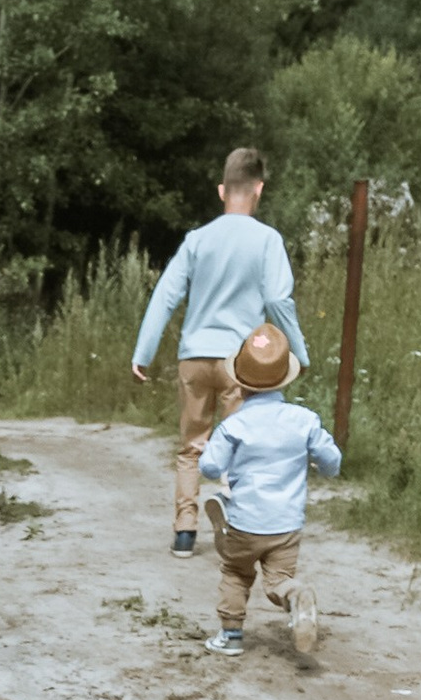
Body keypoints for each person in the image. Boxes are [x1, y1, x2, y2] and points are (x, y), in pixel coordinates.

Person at [131, 148, 311, 555]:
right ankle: (235, 524)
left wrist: (144, 351)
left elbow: (166, 294)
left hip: (194, 358)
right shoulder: (267, 240)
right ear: (259, 189)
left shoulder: (197, 240)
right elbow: (278, 300)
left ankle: (184, 531)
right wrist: (297, 353)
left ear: (221, 190)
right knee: (241, 446)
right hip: (240, 365)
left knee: (191, 445)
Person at [194, 324, 340, 659]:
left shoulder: (234, 425)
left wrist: (212, 456)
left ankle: (231, 635)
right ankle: (295, 596)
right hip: (287, 524)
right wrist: (323, 467)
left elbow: (210, 468)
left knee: (236, 572)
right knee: (278, 580)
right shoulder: (304, 420)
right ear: (285, 379)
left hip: (245, 522)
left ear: (239, 383)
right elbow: (332, 461)